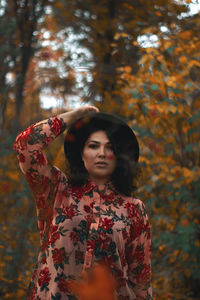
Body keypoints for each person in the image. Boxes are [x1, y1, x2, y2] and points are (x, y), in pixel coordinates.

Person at [14, 106, 152, 300]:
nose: (102, 153)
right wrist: (74, 117)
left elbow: (141, 280)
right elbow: (25, 145)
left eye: (110, 147)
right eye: (93, 146)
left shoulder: (134, 208)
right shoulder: (57, 190)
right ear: (81, 153)